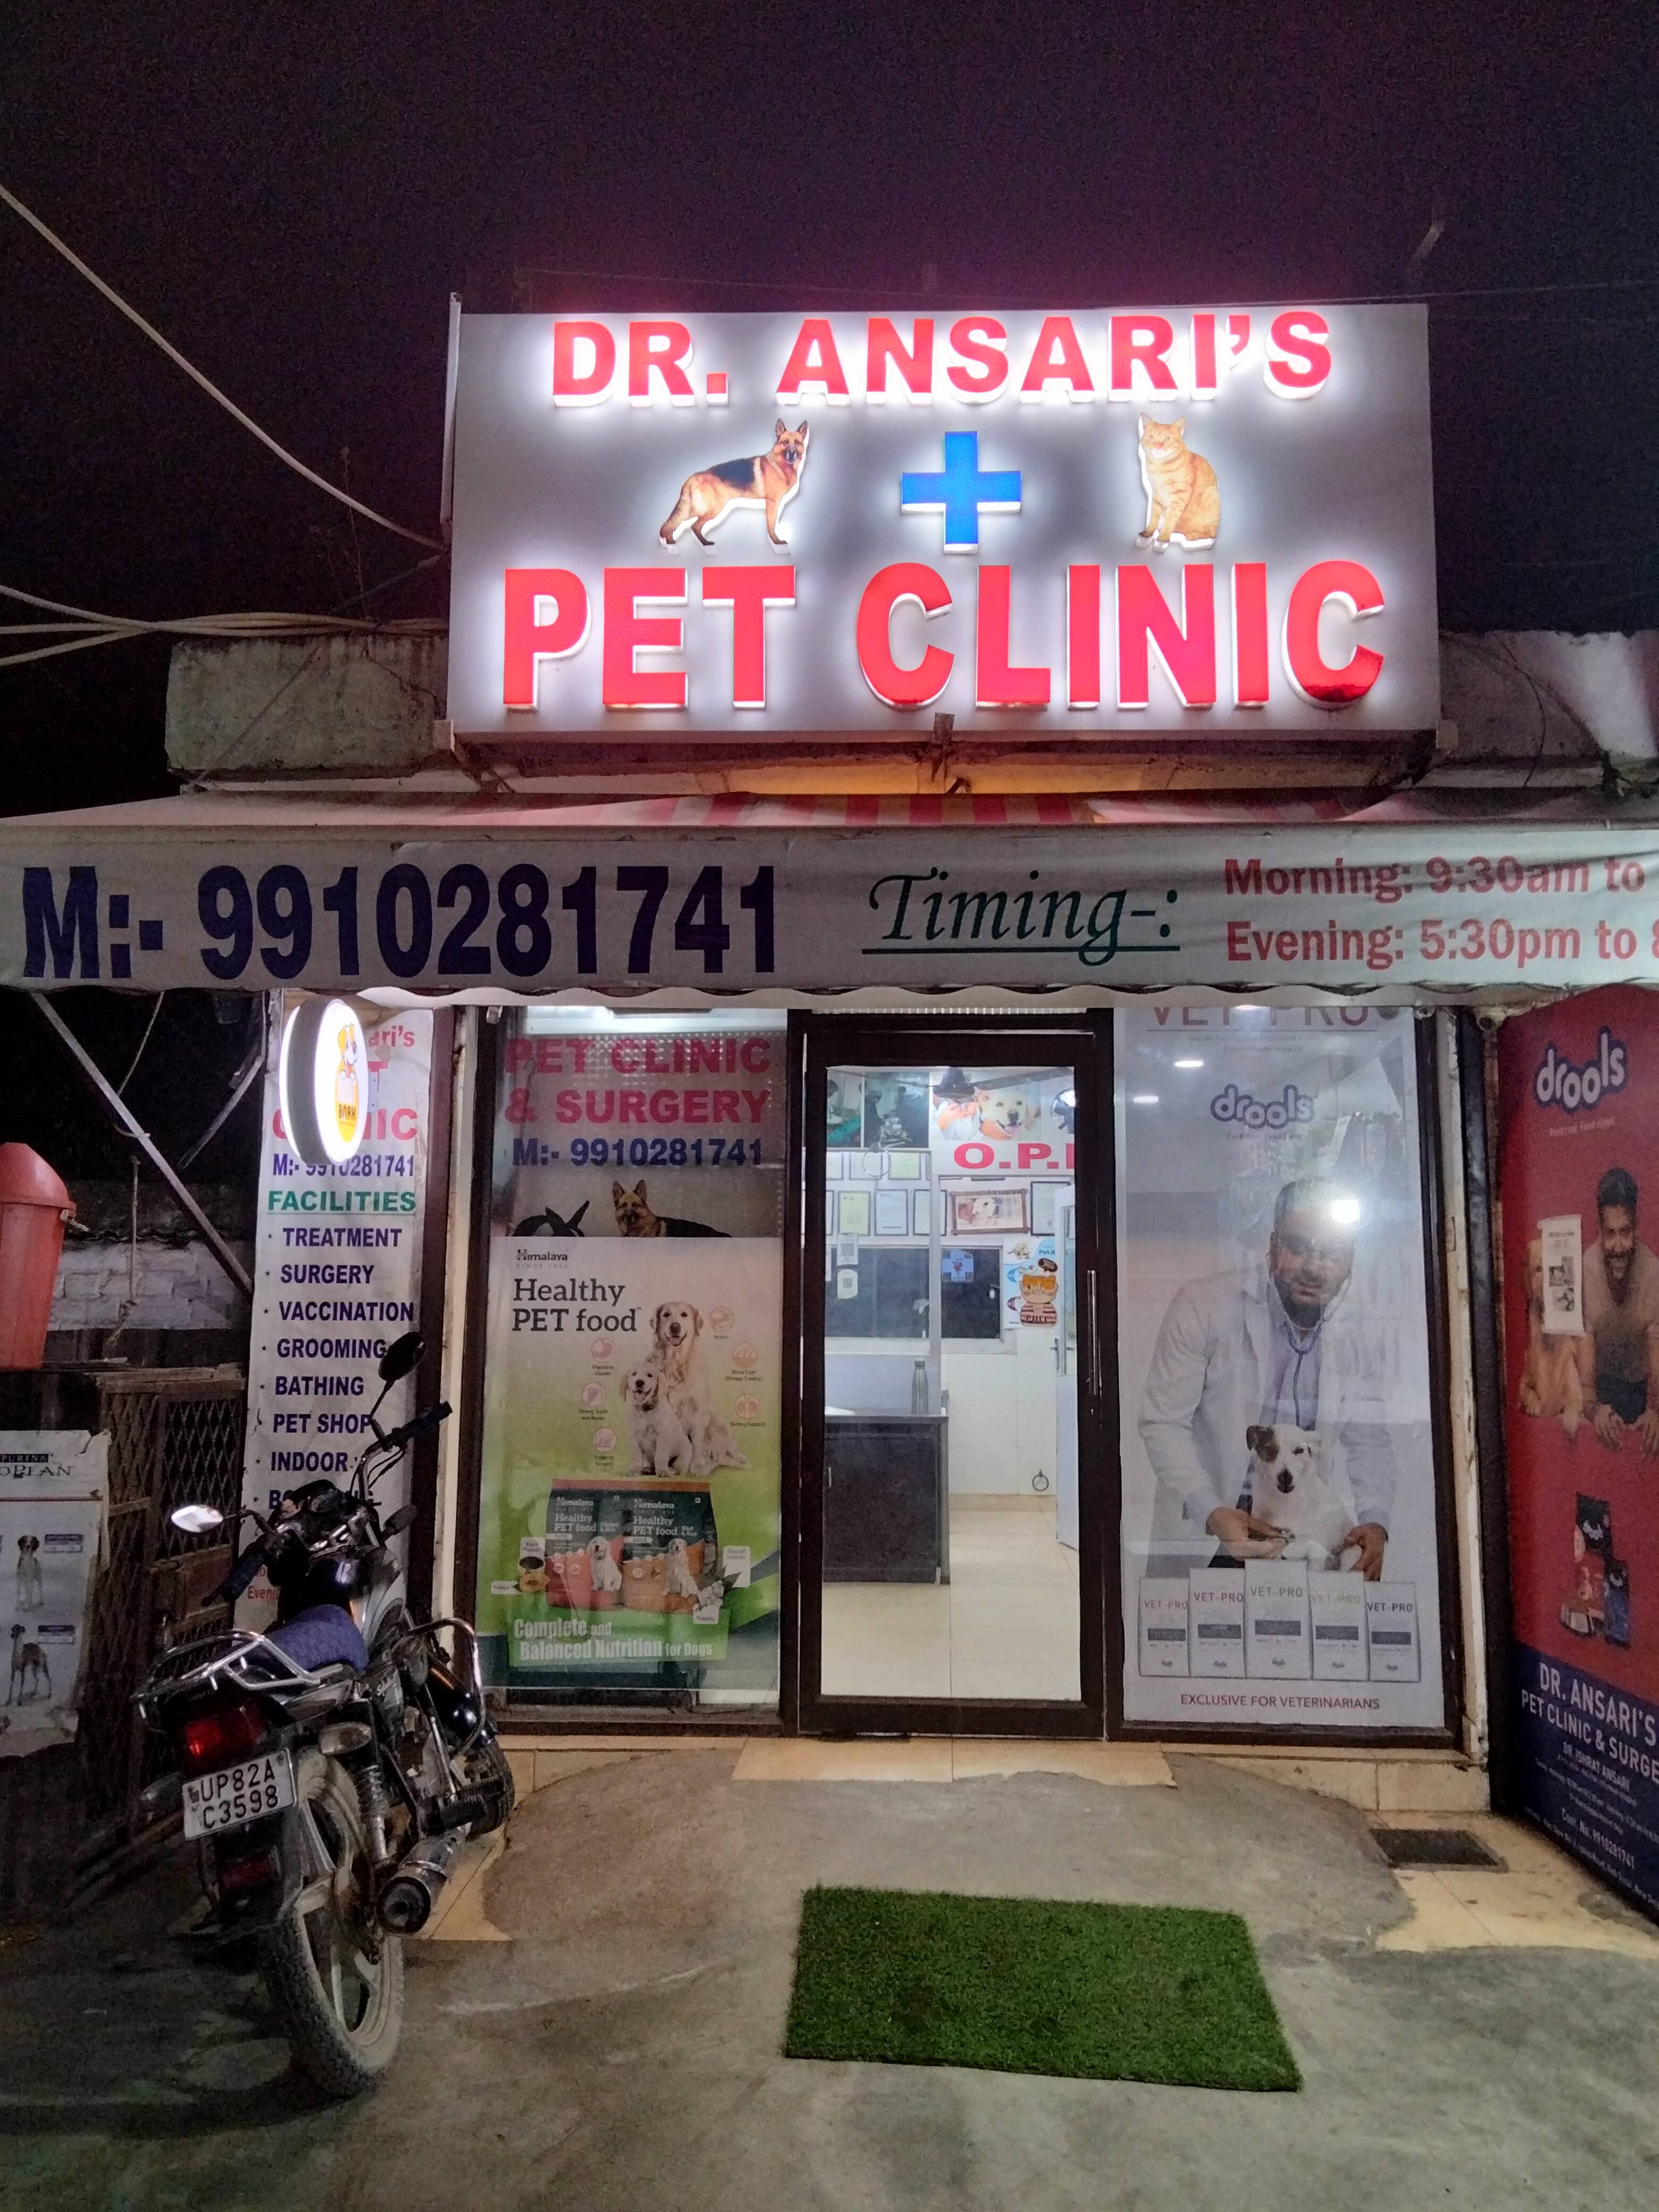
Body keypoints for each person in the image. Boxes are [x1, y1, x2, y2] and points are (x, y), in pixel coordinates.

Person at [1138, 1176, 1395, 1578]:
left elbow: (1370, 1441)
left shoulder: (1357, 1332)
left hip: (1304, 1535)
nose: (1313, 1267)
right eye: (1299, 1247)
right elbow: (1164, 1423)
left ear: (1350, 1262)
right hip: (1214, 1531)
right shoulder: (1204, 1306)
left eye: (1331, 1254)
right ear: (1273, 1246)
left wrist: (1375, 1521)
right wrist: (1212, 1511)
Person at [1576, 1166, 1659, 1454]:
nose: (1619, 1246)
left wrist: (1656, 1410)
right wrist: (1594, 1408)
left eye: (1626, 1232)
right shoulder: (1586, 1270)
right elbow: (1585, 1363)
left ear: (1637, 1228)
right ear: (1600, 1232)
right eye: (1610, 1234)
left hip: (1642, 1388)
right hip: (1601, 1387)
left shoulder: (1653, 1273)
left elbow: (1657, 1353)